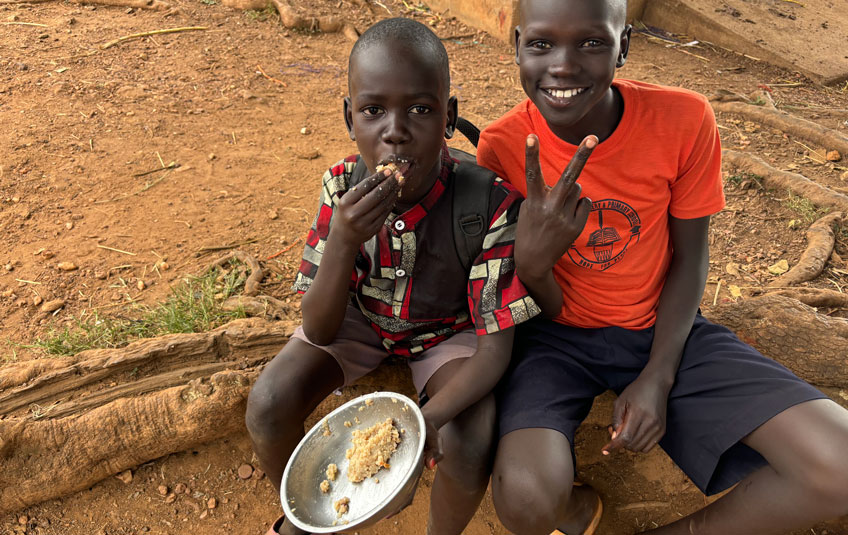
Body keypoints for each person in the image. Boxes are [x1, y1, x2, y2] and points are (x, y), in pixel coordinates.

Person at [475, 0, 848, 534]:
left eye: (591, 42)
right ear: (516, 45)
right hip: (552, 341)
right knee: (527, 501)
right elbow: (520, 293)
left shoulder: (683, 120)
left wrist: (659, 373)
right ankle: (580, 510)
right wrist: (533, 266)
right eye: (540, 44)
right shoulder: (504, 147)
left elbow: (692, 256)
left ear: (624, 44)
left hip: (661, 326)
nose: (562, 65)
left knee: (838, 463)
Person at [246, 17, 540, 535]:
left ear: (449, 117)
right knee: (268, 402)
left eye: (420, 110)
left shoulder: (490, 203)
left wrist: (425, 423)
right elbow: (317, 327)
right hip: (359, 321)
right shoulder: (342, 187)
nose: (395, 129)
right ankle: (308, 519)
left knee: (471, 436)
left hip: (449, 332)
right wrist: (342, 240)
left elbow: (495, 352)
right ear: (349, 117)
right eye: (374, 110)